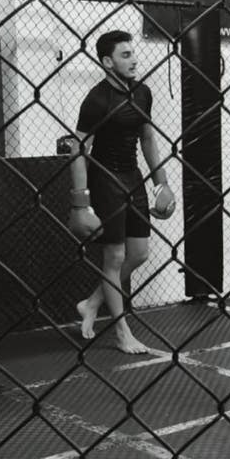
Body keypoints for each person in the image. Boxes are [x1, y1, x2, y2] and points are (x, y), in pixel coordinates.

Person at [67, 30, 175, 354]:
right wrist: (81, 202)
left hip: (133, 177)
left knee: (139, 253)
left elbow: (148, 139)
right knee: (113, 257)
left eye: (133, 53)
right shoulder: (96, 100)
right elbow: (78, 149)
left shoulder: (142, 93)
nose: (134, 60)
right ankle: (121, 332)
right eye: (125, 55)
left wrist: (162, 183)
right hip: (104, 179)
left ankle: (91, 303)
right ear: (107, 61)